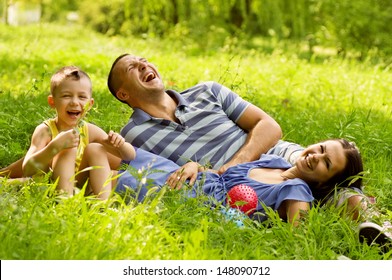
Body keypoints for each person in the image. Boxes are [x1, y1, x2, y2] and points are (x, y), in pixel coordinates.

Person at [114, 138, 363, 226]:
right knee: (106, 146)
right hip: (185, 174)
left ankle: (77, 195)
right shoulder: (275, 160)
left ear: (326, 182)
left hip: (188, 197)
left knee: (106, 175)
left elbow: (299, 235)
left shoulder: (296, 190)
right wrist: (195, 165)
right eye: (320, 148)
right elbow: (221, 176)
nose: (315, 156)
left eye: (326, 163)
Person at [107, 53, 282, 174]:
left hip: (279, 153)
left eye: (143, 60)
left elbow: (270, 126)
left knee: (308, 161)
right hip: (248, 183)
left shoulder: (208, 90)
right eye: (132, 68)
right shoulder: (133, 135)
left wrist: (236, 164)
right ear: (123, 94)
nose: (143, 65)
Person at [20, 66, 135, 199]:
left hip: (81, 185)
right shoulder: (45, 130)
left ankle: (102, 205)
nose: (75, 102)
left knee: (96, 148)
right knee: (67, 149)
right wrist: (54, 147)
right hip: (51, 186)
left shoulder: (89, 130)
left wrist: (120, 144)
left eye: (81, 97)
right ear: (52, 102)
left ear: (90, 104)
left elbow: (129, 157)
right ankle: (64, 203)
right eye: (66, 96)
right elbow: (27, 169)